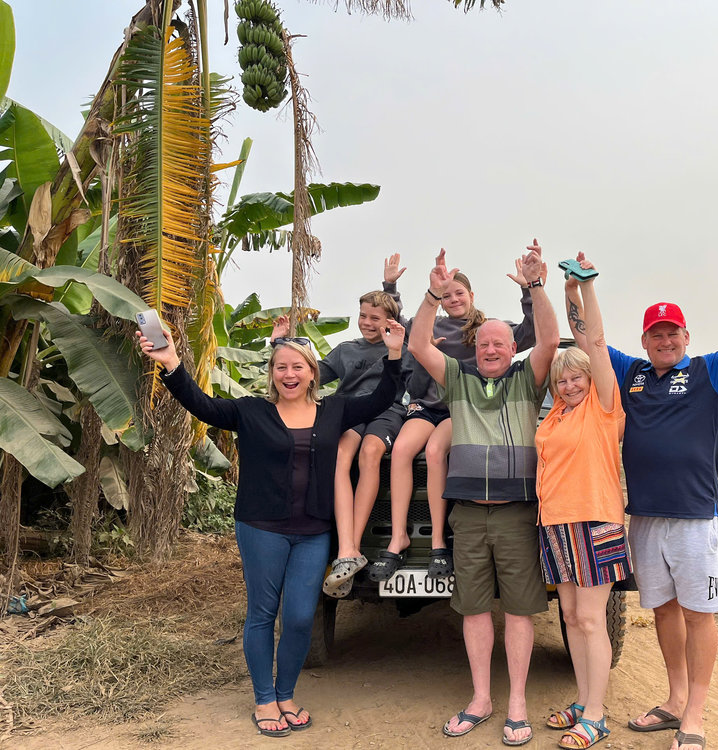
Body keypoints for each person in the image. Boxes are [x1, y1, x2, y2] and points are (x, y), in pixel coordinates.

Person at [565, 229, 718, 750]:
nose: (665, 341)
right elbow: (589, 340)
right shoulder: (633, 374)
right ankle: (672, 700)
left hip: (694, 518)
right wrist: (577, 291)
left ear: (686, 337)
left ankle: (694, 715)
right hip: (644, 515)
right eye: (656, 334)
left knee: (699, 613)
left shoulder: (710, 372)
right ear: (645, 340)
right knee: (664, 611)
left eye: (673, 334)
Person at [137, 321, 405, 738]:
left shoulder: (334, 410)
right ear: (272, 374)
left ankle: (286, 693)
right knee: (263, 613)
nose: (289, 375)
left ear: (312, 372)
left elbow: (382, 398)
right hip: (262, 527)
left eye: (297, 367)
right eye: (280, 367)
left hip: (313, 531)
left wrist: (394, 354)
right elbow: (203, 405)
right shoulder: (251, 411)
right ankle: (265, 699)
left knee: (299, 617)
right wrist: (171, 363)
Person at [407, 243, 559, 747]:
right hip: (468, 517)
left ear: (510, 348)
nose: (492, 350)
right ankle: (480, 698)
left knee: (518, 612)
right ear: (474, 350)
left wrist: (536, 286)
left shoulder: (527, 380)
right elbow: (419, 345)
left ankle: (516, 701)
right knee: (473, 610)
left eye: (500, 343)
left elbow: (551, 338)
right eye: (485, 344)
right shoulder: (457, 381)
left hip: (518, 515)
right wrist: (431, 293)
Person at [369, 253, 538, 581]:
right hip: (426, 406)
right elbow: (399, 325)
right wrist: (390, 286)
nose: (453, 299)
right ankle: (398, 536)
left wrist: (528, 292)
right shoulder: (430, 324)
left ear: (472, 296)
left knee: (434, 451)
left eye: (459, 293)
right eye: (447, 295)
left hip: (459, 408)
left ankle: (436, 543)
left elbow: (529, 333)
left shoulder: (486, 331)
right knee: (402, 450)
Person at [535, 254, 630, 750]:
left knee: (592, 619)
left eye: (576, 377)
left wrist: (584, 290)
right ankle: (582, 698)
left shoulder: (603, 409)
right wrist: (565, 296)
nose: (570, 384)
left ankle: (596, 714)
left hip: (596, 522)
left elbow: (592, 341)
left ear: (590, 380)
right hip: (557, 525)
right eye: (561, 380)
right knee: (571, 620)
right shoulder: (553, 420)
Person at [271, 288, 413, 598]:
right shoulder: (346, 349)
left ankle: (354, 543)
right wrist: (279, 343)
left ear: (389, 320)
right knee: (338, 455)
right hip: (349, 412)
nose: (366, 322)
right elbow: (306, 371)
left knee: (371, 452)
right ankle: (347, 550)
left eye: (375, 318)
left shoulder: (401, 348)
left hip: (387, 412)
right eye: (363, 316)